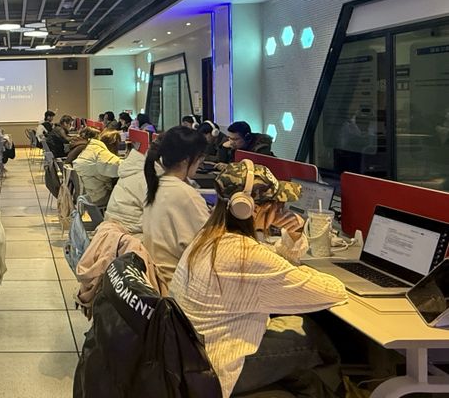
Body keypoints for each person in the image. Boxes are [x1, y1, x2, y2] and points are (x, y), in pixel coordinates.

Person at [169, 161, 347, 397]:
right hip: (219, 368)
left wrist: (292, 235)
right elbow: (333, 291)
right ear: (250, 208)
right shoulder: (244, 255)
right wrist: (309, 272)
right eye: (276, 205)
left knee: (298, 349)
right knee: (312, 339)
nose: (281, 211)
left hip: (193, 359)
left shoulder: (210, 236)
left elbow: (270, 265)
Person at [140, 126, 210, 284]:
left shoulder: (157, 185)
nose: (200, 164)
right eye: (199, 159)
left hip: (157, 276)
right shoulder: (186, 194)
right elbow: (207, 244)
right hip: (178, 282)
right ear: (186, 160)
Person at [73, 128, 122, 206]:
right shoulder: (101, 153)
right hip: (98, 196)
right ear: (113, 143)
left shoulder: (91, 148)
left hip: (88, 193)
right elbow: (121, 169)